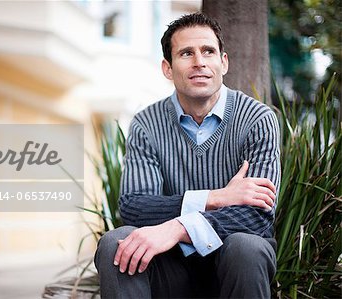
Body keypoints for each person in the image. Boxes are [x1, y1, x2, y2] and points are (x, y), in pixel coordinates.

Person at [94, 12, 280, 299]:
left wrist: (178, 227)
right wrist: (215, 198)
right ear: (168, 68)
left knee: (247, 246)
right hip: (170, 267)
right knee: (116, 243)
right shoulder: (147, 123)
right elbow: (135, 207)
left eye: (208, 51)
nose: (199, 62)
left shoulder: (257, 119)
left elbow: (256, 215)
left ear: (224, 62)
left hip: (235, 264)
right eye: (186, 53)